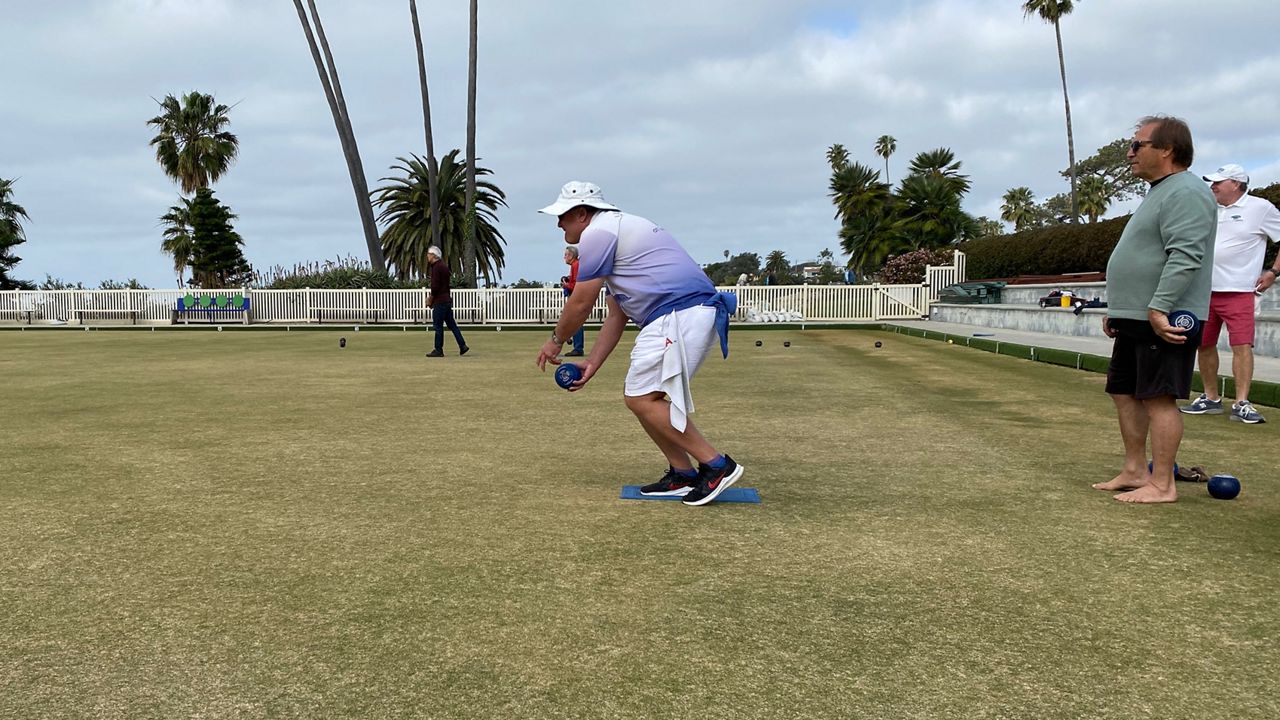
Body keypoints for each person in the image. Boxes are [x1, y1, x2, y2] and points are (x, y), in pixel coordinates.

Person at [533, 181, 742, 506]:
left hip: (679, 313)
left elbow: (580, 302)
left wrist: (555, 341)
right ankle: (682, 474)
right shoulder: (618, 232)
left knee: (642, 397)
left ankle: (717, 466)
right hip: (680, 314)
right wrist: (592, 364)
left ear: (583, 214)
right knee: (644, 396)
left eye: (563, 216)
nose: (558, 223)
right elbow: (616, 316)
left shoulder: (598, 234)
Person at [1091, 115, 1216, 504]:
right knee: (1125, 391)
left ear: (1167, 150)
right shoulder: (1159, 192)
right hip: (1136, 314)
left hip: (1166, 315)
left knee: (1159, 396)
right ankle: (1134, 470)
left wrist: (1159, 307)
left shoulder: (1187, 192)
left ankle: (1163, 483)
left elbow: (1185, 255)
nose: (1129, 153)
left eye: (1137, 145)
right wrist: (1120, 308)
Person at [1179, 164, 1280, 424]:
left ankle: (1242, 402)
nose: (1212, 186)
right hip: (1204, 290)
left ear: (1236, 183)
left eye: (1218, 182)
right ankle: (1211, 398)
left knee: (1241, 346)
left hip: (1240, 291)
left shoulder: (1260, 208)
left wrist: (1273, 272)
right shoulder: (1208, 207)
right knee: (1203, 343)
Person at [425, 245, 469, 357]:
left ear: (433, 256)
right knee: (452, 325)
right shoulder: (444, 267)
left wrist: (431, 298)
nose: (427, 256)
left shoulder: (436, 267)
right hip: (447, 300)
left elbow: (435, 286)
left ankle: (438, 349)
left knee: (438, 326)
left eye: (429, 254)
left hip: (439, 301)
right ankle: (462, 345)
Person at [560, 246, 585, 356]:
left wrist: (566, 284)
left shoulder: (575, 265)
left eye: (566, 255)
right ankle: (570, 339)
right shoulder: (575, 265)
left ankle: (577, 347)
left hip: (576, 296)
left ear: (571, 256)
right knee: (572, 319)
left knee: (575, 321)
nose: (564, 257)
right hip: (576, 296)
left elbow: (576, 284)